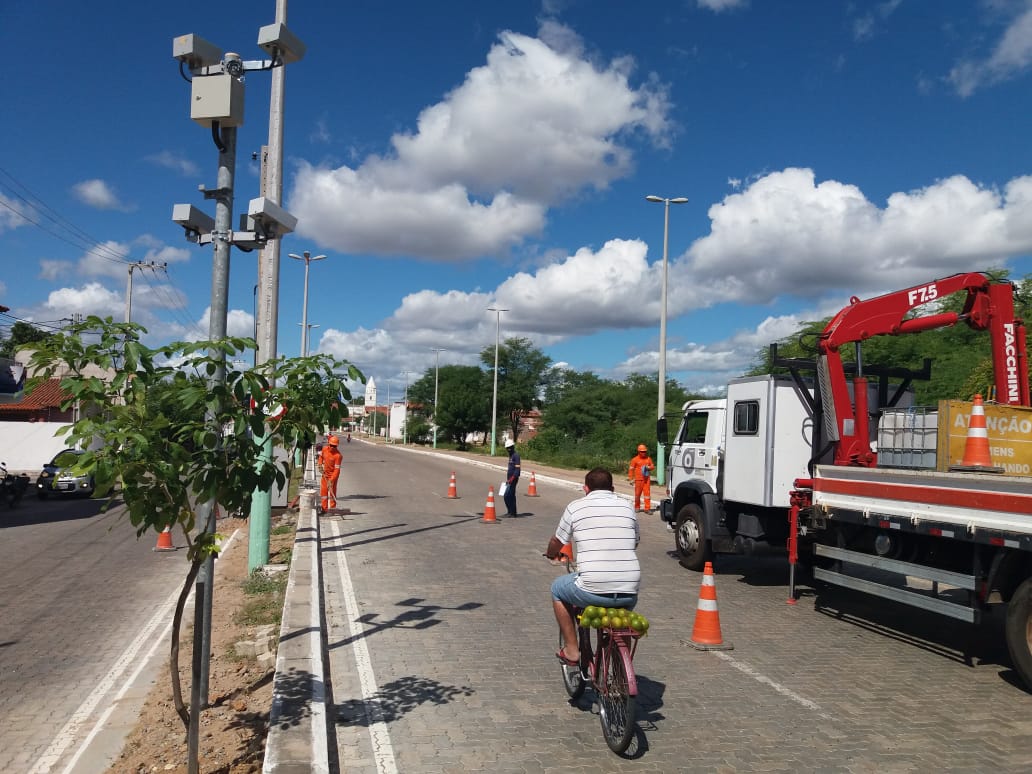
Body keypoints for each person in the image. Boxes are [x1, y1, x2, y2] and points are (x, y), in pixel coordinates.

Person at [545, 467, 640, 665]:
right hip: (629, 589)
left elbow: (558, 540)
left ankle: (572, 650)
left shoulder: (575, 507)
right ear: (612, 488)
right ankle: (622, 666)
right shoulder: (627, 506)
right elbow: (636, 540)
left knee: (557, 589)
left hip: (592, 588)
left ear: (585, 489)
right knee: (621, 619)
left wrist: (552, 553)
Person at [628, 443, 655, 513]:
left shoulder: (648, 459)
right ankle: (637, 507)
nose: (644, 453)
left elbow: (652, 466)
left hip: (646, 480)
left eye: (645, 451)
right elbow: (631, 469)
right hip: (638, 480)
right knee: (637, 495)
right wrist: (631, 479)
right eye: (642, 451)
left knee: (647, 495)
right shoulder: (634, 460)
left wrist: (649, 467)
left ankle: (647, 508)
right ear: (639, 452)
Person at [318, 434, 342, 512]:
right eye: (331, 445)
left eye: (334, 446)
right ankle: (324, 509)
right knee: (324, 493)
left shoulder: (338, 456)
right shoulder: (324, 449)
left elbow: (337, 470)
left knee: (332, 493)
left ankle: (332, 509)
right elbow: (321, 457)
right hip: (325, 475)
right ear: (329, 444)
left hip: (333, 477)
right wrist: (320, 464)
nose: (332, 447)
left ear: (337, 446)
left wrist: (331, 481)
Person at [503, 437, 521, 517]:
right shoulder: (511, 455)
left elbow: (517, 470)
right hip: (509, 479)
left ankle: (511, 512)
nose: (509, 449)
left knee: (507, 495)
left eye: (510, 448)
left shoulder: (516, 456)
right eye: (507, 448)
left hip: (513, 479)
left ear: (513, 447)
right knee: (511, 495)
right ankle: (512, 512)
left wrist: (512, 479)